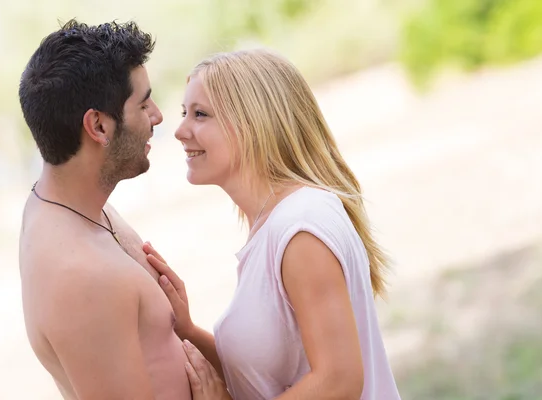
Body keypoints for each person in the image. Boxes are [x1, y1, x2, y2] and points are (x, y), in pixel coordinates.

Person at [144, 49, 402, 399]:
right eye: (184, 113)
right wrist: (187, 329)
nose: (180, 131)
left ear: (253, 123)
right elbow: (261, 376)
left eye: (200, 114)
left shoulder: (301, 228)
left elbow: (339, 380)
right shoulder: (278, 223)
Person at [18, 19, 193, 400]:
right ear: (98, 125)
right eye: (143, 103)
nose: (158, 116)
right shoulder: (81, 276)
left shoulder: (72, 205)